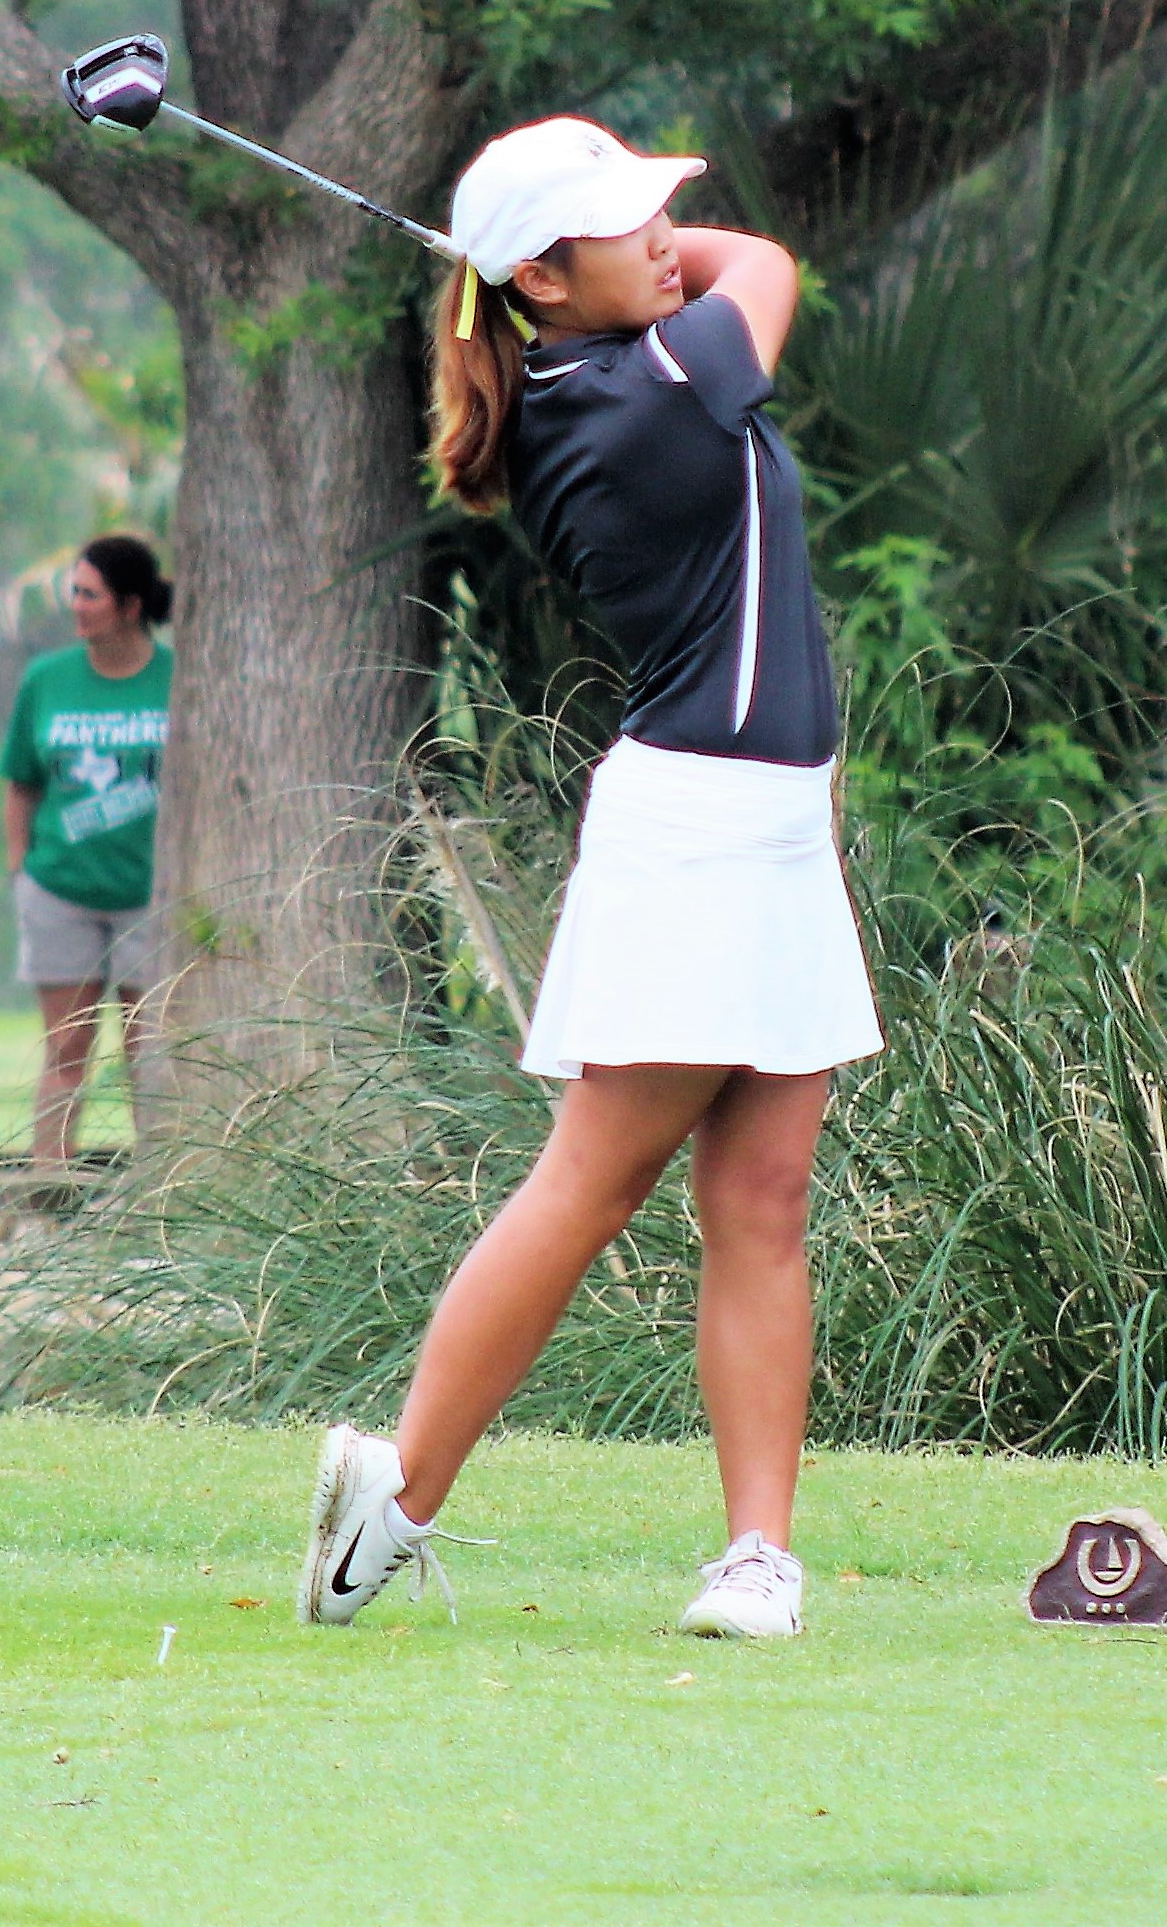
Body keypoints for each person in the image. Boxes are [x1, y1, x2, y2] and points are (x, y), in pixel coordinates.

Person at [298, 118, 873, 1642]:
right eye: (628, 226)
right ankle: (398, 1495)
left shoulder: (598, 366)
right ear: (542, 280)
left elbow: (709, 269)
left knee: (762, 1196)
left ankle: (755, 1558)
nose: (668, 239)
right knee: (593, 1182)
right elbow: (770, 259)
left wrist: (616, 252)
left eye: (660, 215)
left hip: (766, 824)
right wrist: (675, 259)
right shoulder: (639, 391)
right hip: (697, 833)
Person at [0, 534, 174, 1167]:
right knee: (67, 1045)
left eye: (88, 594)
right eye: (73, 591)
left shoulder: (177, 676)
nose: (75, 605)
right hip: (60, 892)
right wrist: (21, 871)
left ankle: (163, 1183)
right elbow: (20, 784)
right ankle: (49, 1180)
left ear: (129, 605)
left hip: (151, 895)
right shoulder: (46, 680)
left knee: (148, 1050)